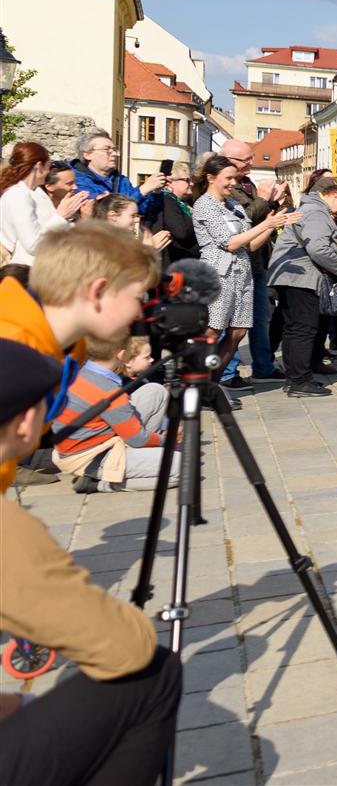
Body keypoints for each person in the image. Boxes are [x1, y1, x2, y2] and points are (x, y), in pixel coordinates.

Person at [0, 339, 183, 786]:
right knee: (156, 671)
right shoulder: (10, 530)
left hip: (102, 448)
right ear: (26, 424)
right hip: (98, 457)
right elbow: (126, 645)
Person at [0, 221, 161, 494]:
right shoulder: (12, 350)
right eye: (137, 297)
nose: (139, 313)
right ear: (97, 292)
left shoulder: (71, 350)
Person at [192, 154, 300, 401]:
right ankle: (198, 386)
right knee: (212, 331)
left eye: (235, 178)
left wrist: (273, 224)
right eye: (228, 178)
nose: (233, 183)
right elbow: (229, 243)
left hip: (242, 273)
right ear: (211, 178)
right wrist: (265, 225)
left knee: (239, 331)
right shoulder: (204, 205)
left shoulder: (233, 205)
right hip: (218, 274)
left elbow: (250, 245)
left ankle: (211, 387)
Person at [52, 334, 178, 493]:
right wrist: (168, 440)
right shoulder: (108, 390)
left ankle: (142, 456)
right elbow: (137, 439)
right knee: (181, 467)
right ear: (121, 355)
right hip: (91, 457)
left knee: (155, 391)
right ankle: (97, 484)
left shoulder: (81, 371)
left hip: (76, 447)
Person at [269, 183, 337, 398]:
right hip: (301, 278)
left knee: (294, 330)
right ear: (335, 196)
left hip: (293, 276)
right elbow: (318, 249)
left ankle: (296, 379)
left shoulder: (310, 209)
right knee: (303, 330)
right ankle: (300, 381)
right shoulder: (316, 213)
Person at [217, 139, 292, 388]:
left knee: (261, 317)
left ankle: (263, 366)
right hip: (236, 262)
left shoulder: (246, 183)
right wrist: (263, 198)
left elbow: (259, 218)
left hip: (257, 260)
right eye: (246, 159)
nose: (251, 162)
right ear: (228, 160)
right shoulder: (225, 188)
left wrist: (272, 203)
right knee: (234, 321)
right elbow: (243, 220)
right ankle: (227, 373)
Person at [1, 142, 89, 266]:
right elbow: (33, 245)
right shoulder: (18, 195)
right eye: (48, 166)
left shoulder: (36, 192)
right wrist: (61, 216)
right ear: (39, 166)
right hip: (20, 269)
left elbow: (46, 227)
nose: (48, 172)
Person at [69, 128, 165, 206]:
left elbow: (142, 209)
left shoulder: (121, 180)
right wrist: (144, 189)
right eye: (107, 150)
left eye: (114, 150)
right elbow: (104, 210)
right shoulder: (75, 180)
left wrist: (156, 192)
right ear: (87, 155)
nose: (114, 154)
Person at [142, 162, 199, 264]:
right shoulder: (167, 200)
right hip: (175, 263)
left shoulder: (185, 202)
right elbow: (181, 232)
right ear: (170, 182)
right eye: (187, 180)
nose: (191, 183)